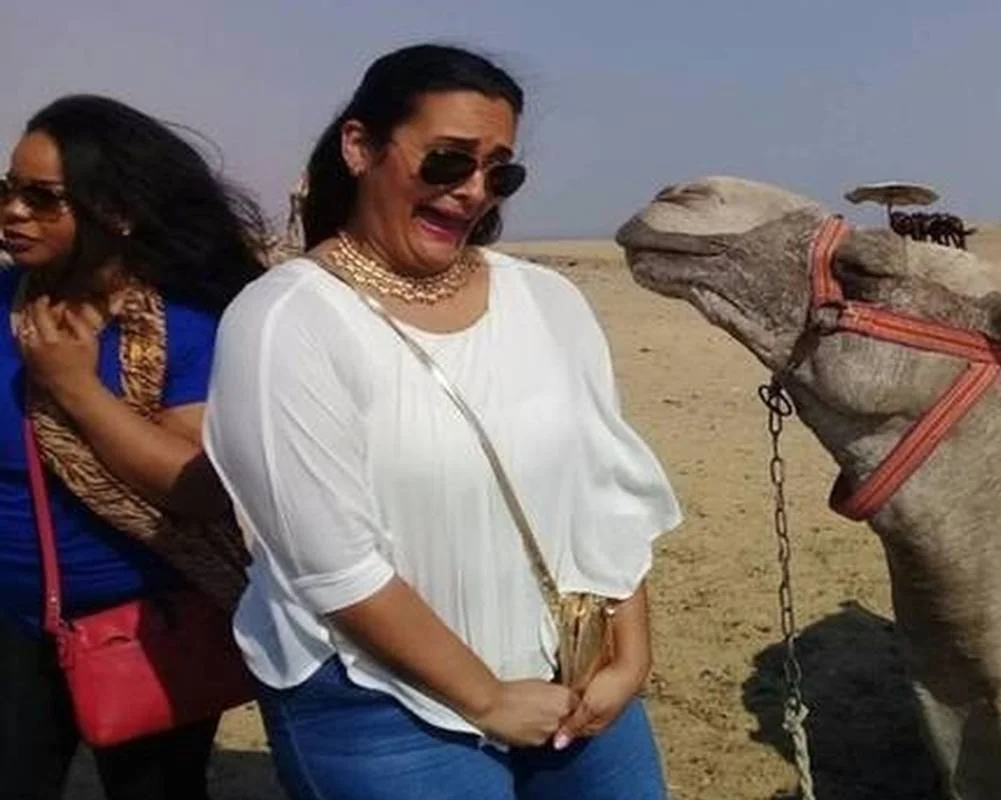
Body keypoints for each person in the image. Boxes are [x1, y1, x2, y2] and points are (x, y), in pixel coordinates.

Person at [204, 44, 683, 799]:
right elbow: (334, 565)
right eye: (448, 161)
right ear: (359, 146)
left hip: (571, 679)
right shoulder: (284, 322)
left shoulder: (547, 301)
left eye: (500, 172)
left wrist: (629, 655)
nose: (473, 191)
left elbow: (602, 486)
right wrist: (486, 699)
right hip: (378, 703)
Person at [0, 95, 265, 799]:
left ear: (116, 211)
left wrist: (75, 387)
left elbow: (196, 486)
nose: (14, 212)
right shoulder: (3, 305)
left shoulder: (187, 325)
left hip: (149, 625)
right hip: (11, 623)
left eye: (42, 197)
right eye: (8, 189)